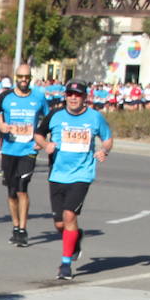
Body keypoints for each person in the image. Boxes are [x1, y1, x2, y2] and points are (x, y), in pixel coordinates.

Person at [34, 81, 114, 281]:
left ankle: (65, 264)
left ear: (84, 97)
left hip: (81, 175)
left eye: (77, 94)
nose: (73, 97)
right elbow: (38, 134)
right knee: (60, 224)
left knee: (69, 216)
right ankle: (75, 238)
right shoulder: (55, 115)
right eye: (70, 93)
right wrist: (45, 145)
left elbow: (107, 138)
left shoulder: (95, 117)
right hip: (57, 175)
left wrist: (104, 151)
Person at [0, 64, 49, 247]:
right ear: (16, 77)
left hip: (28, 150)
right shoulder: (5, 97)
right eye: (21, 77)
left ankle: (23, 229)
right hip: (9, 150)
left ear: (31, 78)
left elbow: (49, 120)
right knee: (12, 191)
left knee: (23, 188)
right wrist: (0, 126)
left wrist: (42, 141)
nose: (24, 80)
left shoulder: (38, 97)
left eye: (27, 77)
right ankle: (15, 226)